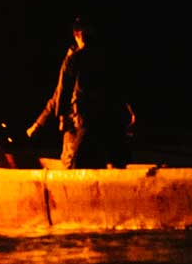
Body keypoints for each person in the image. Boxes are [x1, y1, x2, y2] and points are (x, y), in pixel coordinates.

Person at [27, 16, 136, 169]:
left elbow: (61, 96)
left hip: (86, 123)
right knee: (93, 159)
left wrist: (58, 119)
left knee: (79, 162)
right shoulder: (92, 58)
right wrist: (39, 124)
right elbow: (59, 97)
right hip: (88, 123)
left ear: (78, 35)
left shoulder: (80, 60)